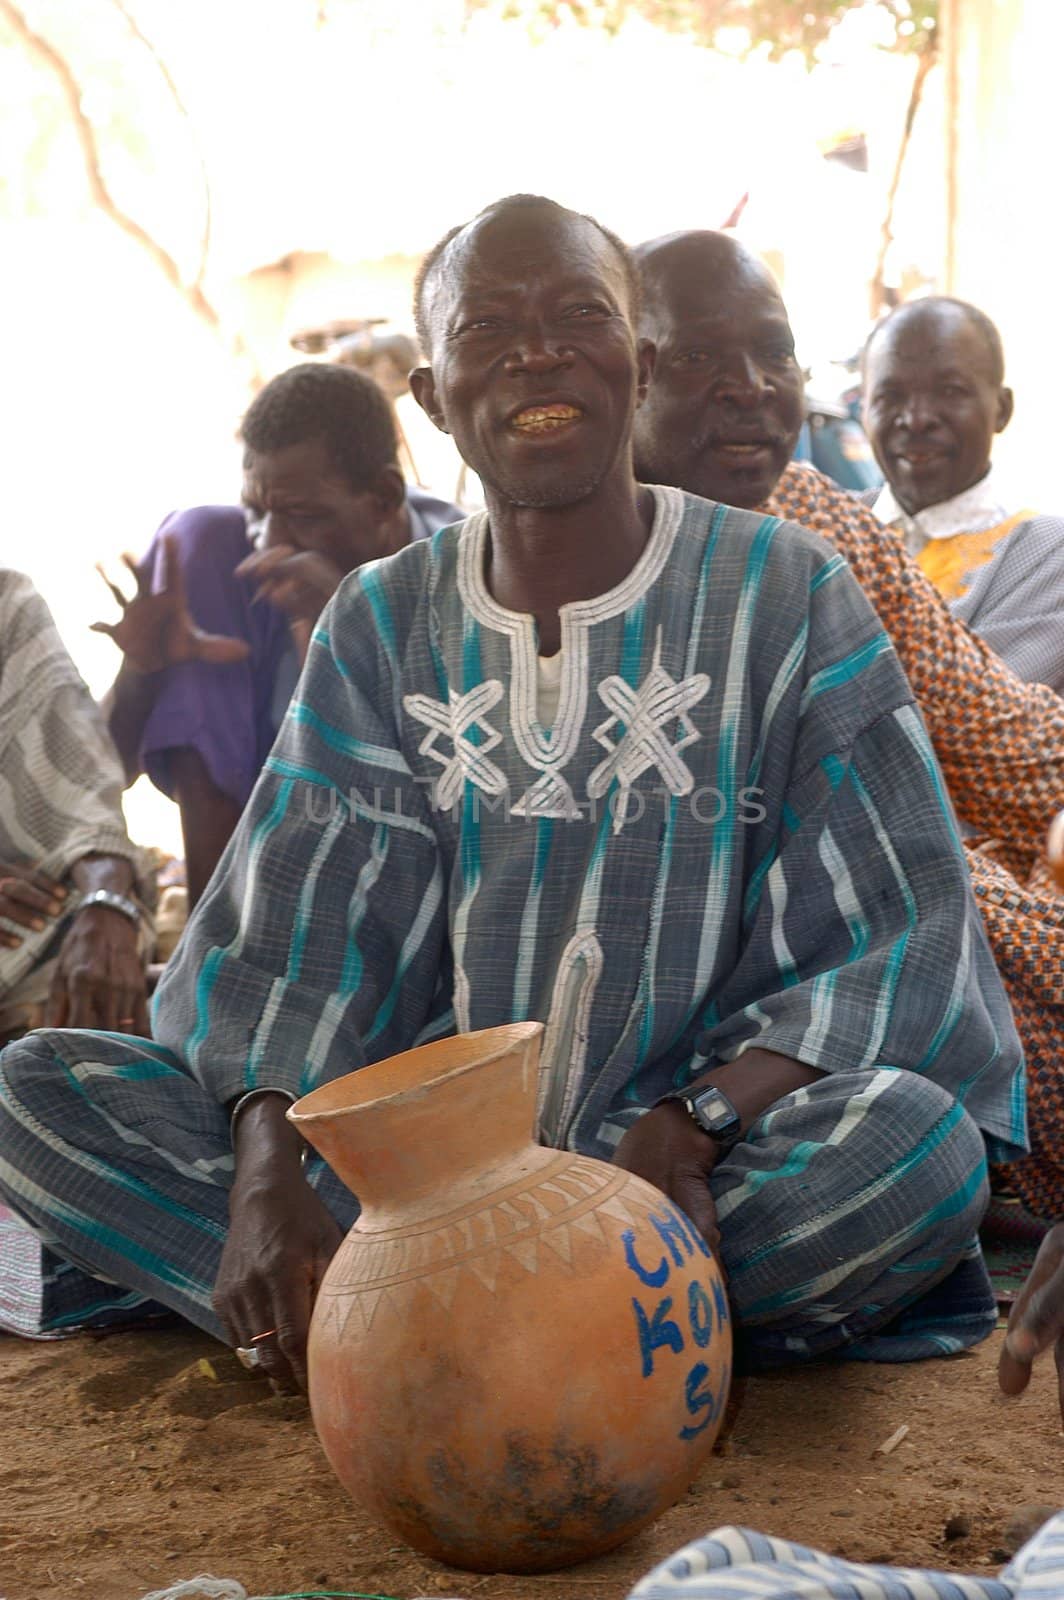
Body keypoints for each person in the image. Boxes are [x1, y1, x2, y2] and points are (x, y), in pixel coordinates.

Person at [0, 195, 1024, 1389]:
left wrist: (697, 1121)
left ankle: (400, 1342)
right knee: (39, 1088)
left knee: (913, 1152)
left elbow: (897, 930)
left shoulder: (785, 592)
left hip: (690, 1166)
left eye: (576, 315)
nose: (537, 350)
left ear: (634, 367)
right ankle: (580, 1341)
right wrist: (270, 1180)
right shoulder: (380, 624)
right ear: (432, 399)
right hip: (417, 1178)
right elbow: (293, 947)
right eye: (488, 328)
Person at [631, 229, 1064, 1221]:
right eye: (696, 357)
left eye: (773, 353)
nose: (747, 386)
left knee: (971, 956)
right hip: (664, 994)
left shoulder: (813, 514)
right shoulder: (564, 553)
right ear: (629, 370)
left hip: (880, 942)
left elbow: (996, 736)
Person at [97, 362, 462, 904]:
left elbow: (443, 811)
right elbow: (97, 778)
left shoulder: (459, 574)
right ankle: (215, 940)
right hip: (249, 876)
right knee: (197, 536)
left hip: (407, 896)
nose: (268, 540)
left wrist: (341, 632)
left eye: (300, 514)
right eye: (255, 510)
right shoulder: (231, 559)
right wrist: (142, 670)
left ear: (385, 498)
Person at [861, 297, 1064, 693]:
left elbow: (984, 715)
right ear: (864, 407)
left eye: (950, 391)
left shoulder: (1049, 559)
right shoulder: (822, 532)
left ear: (1002, 409)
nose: (917, 418)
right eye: (891, 396)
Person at [0, 568, 152, 1041]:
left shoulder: (7, 603)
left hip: (24, 937)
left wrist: (105, 904)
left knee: (88, 955)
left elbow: (78, 791)